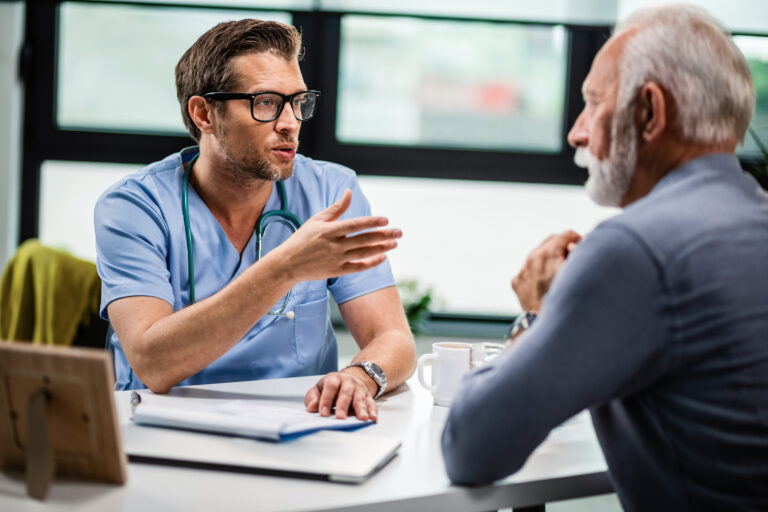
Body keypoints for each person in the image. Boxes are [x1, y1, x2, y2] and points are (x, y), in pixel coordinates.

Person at [441, 4, 768, 510]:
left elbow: (470, 447)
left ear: (649, 111)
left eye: (593, 103)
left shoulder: (635, 248)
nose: (577, 133)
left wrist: (538, 313)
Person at [94, 19, 416, 421]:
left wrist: (360, 377)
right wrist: (285, 268)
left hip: (298, 424)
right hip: (164, 426)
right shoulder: (135, 207)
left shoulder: (331, 192)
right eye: (265, 102)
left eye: (297, 102)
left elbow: (392, 337)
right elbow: (152, 364)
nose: (290, 122)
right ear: (203, 114)